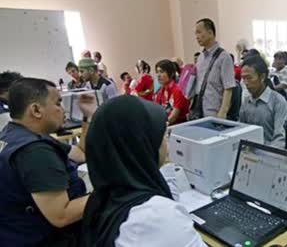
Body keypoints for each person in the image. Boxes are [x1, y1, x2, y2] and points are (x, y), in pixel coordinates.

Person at [81, 96, 206, 247]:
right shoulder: (156, 216)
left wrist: (164, 160)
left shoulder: (102, 197)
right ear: (141, 145)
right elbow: (164, 219)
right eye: (164, 135)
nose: (167, 142)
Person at [0, 78, 96, 246]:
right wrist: (113, 191)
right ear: (36, 110)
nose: (63, 109)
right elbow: (61, 215)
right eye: (58, 103)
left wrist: (88, 116)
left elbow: (81, 153)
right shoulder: (34, 151)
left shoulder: (14, 134)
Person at [239, 55, 287, 148]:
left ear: (262, 77)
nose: (245, 83)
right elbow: (241, 131)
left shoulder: (278, 101)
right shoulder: (246, 102)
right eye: (243, 78)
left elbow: (279, 139)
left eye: (249, 78)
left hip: (270, 154)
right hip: (248, 154)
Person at [194, 18, 236, 118]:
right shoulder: (200, 58)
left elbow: (228, 87)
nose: (197, 37)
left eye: (199, 32)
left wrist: (223, 111)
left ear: (210, 32)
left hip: (214, 112)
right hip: (199, 111)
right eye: (195, 33)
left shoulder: (224, 57)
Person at [154, 60, 190, 125]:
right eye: (157, 72)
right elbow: (156, 112)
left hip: (180, 126)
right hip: (166, 125)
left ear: (171, 73)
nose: (158, 75)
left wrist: (160, 126)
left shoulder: (177, 91)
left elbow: (173, 117)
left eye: (161, 72)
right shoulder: (160, 92)